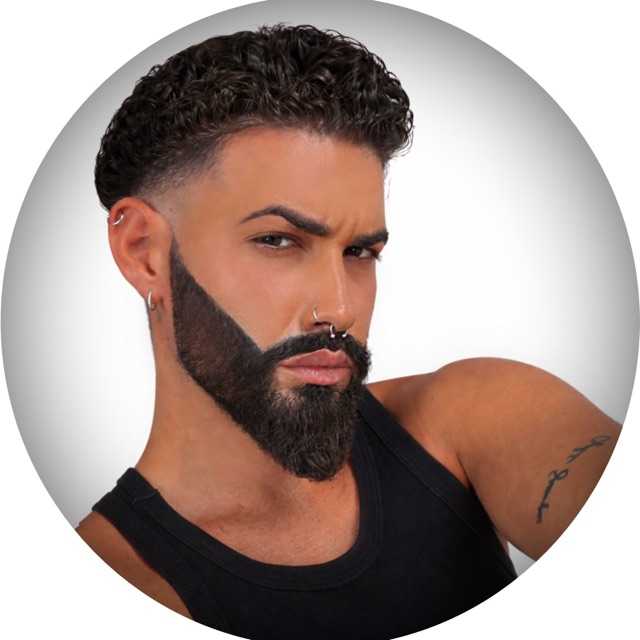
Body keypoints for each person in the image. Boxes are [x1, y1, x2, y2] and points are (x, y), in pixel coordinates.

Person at [76, 23, 621, 640]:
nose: (338, 308)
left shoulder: (469, 421)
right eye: (278, 240)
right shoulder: (108, 588)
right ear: (144, 251)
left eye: (360, 252)